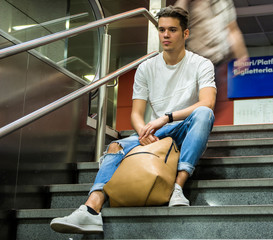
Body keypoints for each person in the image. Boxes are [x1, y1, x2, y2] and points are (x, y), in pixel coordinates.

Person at [49, 5, 216, 234]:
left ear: (185, 34)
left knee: (204, 114)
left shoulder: (201, 64)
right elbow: (136, 114)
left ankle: (178, 188)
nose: (166, 35)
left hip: (183, 128)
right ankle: (91, 209)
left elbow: (206, 102)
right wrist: (144, 132)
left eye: (173, 30)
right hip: (158, 132)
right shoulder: (146, 67)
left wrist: (165, 118)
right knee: (115, 145)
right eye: (162, 29)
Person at [175, 0, 250, 75]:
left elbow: (232, 29)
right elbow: (174, 24)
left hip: (220, 63)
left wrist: (242, 56)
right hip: (197, 63)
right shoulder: (189, 3)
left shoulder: (225, 2)